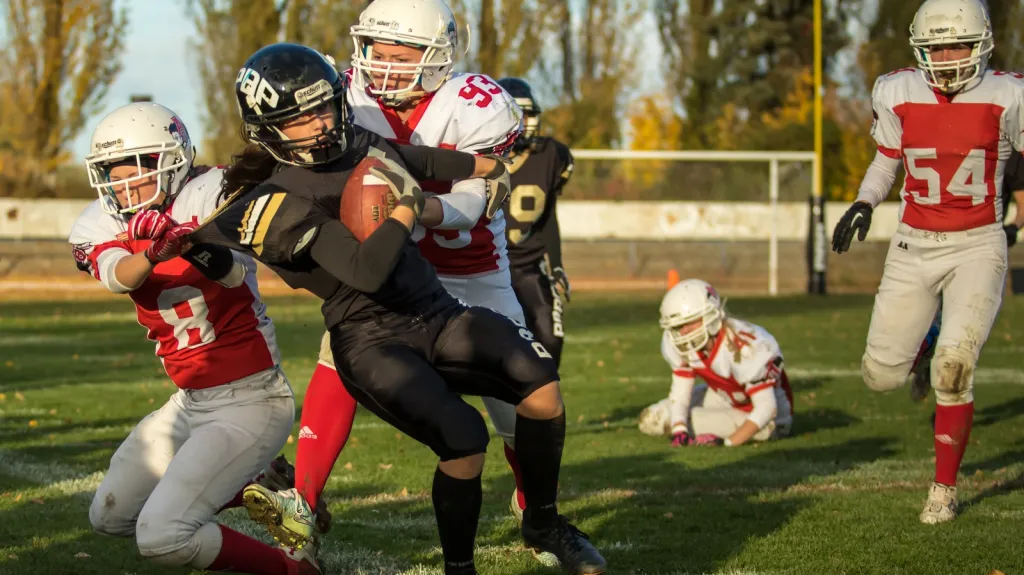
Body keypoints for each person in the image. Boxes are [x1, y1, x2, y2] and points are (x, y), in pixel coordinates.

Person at [190, 43, 606, 575]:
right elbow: (366, 270)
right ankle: (458, 567)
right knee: (464, 438)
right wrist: (408, 205)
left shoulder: (356, 141)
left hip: (434, 310)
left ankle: (543, 521)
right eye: (299, 119)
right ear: (267, 129)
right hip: (370, 337)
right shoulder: (271, 201)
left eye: (324, 107)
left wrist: (484, 167)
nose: (319, 125)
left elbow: (414, 159)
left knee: (541, 384)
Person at [268, 0, 538, 546]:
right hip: (398, 267)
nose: (383, 65)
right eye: (375, 50)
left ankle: (537, 506)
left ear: (439, 57)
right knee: (339, 352)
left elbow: (478, 195)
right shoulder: (344, 93)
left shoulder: (476, 105)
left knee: (521, 409)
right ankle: (303, 499)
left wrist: (413, 207)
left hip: (472, 271)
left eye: (401, 53)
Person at [71, 103, 313, 574]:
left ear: (172, 162)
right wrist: (156, 252)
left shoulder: (208, 194)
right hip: (190, 402)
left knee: (162, 536)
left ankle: (293, 570)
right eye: (111, 174)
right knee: (110, 517)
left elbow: (232, 273)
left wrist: (193, 244)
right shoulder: (101, 222)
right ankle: (258, 486)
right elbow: (118, 277)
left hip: (250, 400)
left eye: (137, 172)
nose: (123, 186)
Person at [831, 0, 1024, 524]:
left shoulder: (1010, 95)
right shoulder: (897, 89)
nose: (946, 56)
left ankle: (943, 489)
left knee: (954, 371)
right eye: (936, 46)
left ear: (981, 43)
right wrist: (864, 202)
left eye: (957, 44)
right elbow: (887, 157)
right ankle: (924, 343)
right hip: (914, 243)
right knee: (879, 377)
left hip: (978, 243)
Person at [637, 280, 794, 446]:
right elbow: (680, 390)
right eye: (678, 326)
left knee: (681, 420)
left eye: (689, 322)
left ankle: (718, 426)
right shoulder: (682, 343)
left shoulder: (744, 345)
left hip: (769, 420)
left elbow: (767, 409)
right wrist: (679, 430)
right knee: (652, 418)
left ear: (711, 317)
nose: (683, 332)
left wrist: (728, 442)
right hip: (725, 397)